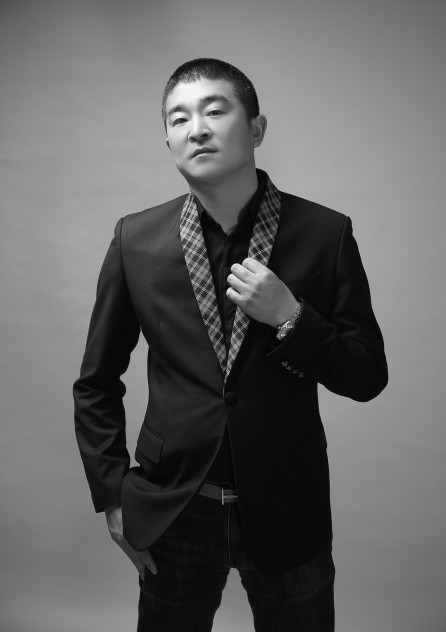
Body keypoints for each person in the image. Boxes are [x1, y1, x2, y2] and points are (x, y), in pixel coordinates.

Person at [73, 58, 388, 632]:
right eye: (178, 119)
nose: (196, 129)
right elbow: (95, 383)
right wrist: (113, 497)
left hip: (289, 505)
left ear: (257, 129)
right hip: (173, 506)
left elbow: (367, 375)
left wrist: (291, 316)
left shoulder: (326, 233)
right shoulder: (134, 240)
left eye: (215, 111)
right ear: (167, 141)